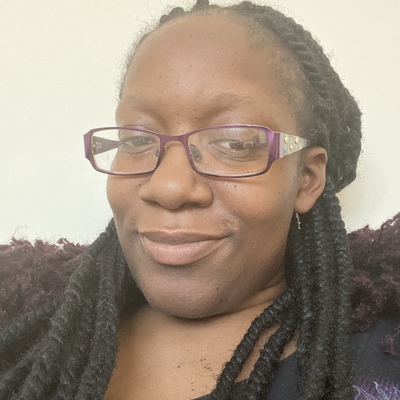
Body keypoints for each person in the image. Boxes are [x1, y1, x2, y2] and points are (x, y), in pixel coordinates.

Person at [0, 0, 399, 399]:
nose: (169, 187)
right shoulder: (31, 348)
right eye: (136, 139)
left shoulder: (381, 369)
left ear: (306, 179)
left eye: (233, 142)